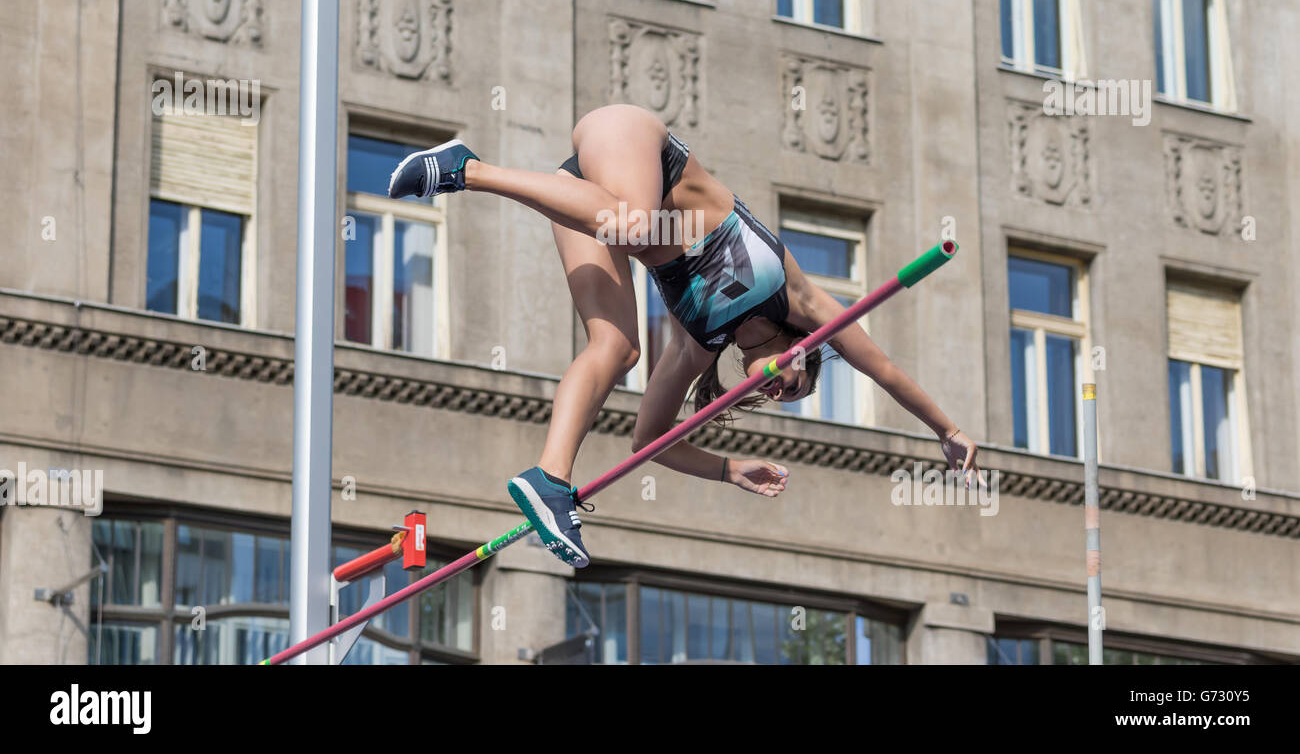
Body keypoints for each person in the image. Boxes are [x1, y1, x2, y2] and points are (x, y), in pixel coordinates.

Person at [388, 104, 979, 567]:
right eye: (796, 382)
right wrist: (945, 430)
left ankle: (550, 478)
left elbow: (650, 441)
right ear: (808, 347)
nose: (780, 389)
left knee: (616, 348)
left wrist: (727, 470)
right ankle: (465, 168)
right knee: (638, 223)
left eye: (780, 398)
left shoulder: (698, 344)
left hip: (591, 199)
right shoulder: (798, 297)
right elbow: (885, 371)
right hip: (636, 148)